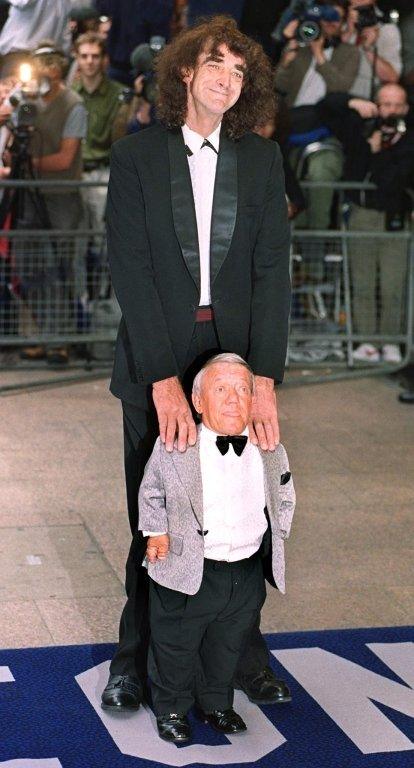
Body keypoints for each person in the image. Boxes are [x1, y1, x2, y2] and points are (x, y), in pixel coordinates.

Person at [101, 15, 292, 712]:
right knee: (157, 517)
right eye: (217, 63)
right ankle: (134, 661)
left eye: (240, 71)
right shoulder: (136, 157)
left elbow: (275, 270)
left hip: (237, 361)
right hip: (158, 353)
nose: (227, 77)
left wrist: (264, 378)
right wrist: (161, 381)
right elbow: (133, 269)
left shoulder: (262, 161)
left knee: (245, 511)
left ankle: (243, 657)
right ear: (186, 70)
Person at [139, 353, 295, 743]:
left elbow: (284, 494)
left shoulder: (269, 448)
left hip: (243, 571)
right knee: (176, 644)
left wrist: (279, 532)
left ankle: (217, 702)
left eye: (243, 390)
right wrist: (156, 532)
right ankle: (172, 708)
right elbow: (152, 490)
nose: (233, 399)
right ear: (198, 402)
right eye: (221, 389)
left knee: (227, 644)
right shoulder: (176, 446)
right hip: (190, 568)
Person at [318, 83, 414, 363]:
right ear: (376, 105)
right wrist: (352, 102)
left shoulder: (409, 140)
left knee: (393, 285)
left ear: (406, 109)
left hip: (394, 218)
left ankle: (392, 341)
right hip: (362, 215)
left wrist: (380, 151)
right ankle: (367, 341)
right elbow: (325, 107)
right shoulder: (361, 131)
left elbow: (397, 178)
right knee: (362, 283)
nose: (391, 111)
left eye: (397, 105)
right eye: (386, 104)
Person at [19, 41, 87, 364]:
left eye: (49, 62)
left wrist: (28, 163)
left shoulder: (73, 104)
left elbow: (65, 158)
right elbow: (12, 147)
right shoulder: (27, 103)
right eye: (38, 63)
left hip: (61, 198)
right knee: (30, 264)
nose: (44, 69)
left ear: (59, 67)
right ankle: (39, 336)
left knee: (61, 266)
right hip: (31, 197)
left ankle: (60, 340)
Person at [274, 0, 359, 236]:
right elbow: (278, 86)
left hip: (326, 129)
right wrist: (286, 61)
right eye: (325, 18)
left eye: (336, 19)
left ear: (344, 25)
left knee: (321, 173)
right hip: (291, 127)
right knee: (285, 185)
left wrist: (319, 55)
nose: (329, 23)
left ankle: (316, 249)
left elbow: (340, 87)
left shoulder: (349, 53)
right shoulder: (299, 47)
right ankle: (293, 250)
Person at [72, 32, 128, 300]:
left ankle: (100, 297)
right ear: (77, 59)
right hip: (72, 175)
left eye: (95, 56)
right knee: (76, 241)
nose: (90, 62)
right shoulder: (68, 95)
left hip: (102, 174)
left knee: (102, 239)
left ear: (104, 59)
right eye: (84, 56)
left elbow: (120, 140)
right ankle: (80, 300)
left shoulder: (118, 94)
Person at [342, 0, 402, 100]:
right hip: (336, 98)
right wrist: (348, 32)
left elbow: (391, 78)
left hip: (368, 99)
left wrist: (368, 49)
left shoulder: (387, 28)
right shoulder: (335, 19)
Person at [0, 0, 71, 79]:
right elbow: (23, 2)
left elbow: (64, 31)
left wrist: (63, 61)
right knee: (13, 90)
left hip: (48, 59)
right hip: (19, 56)